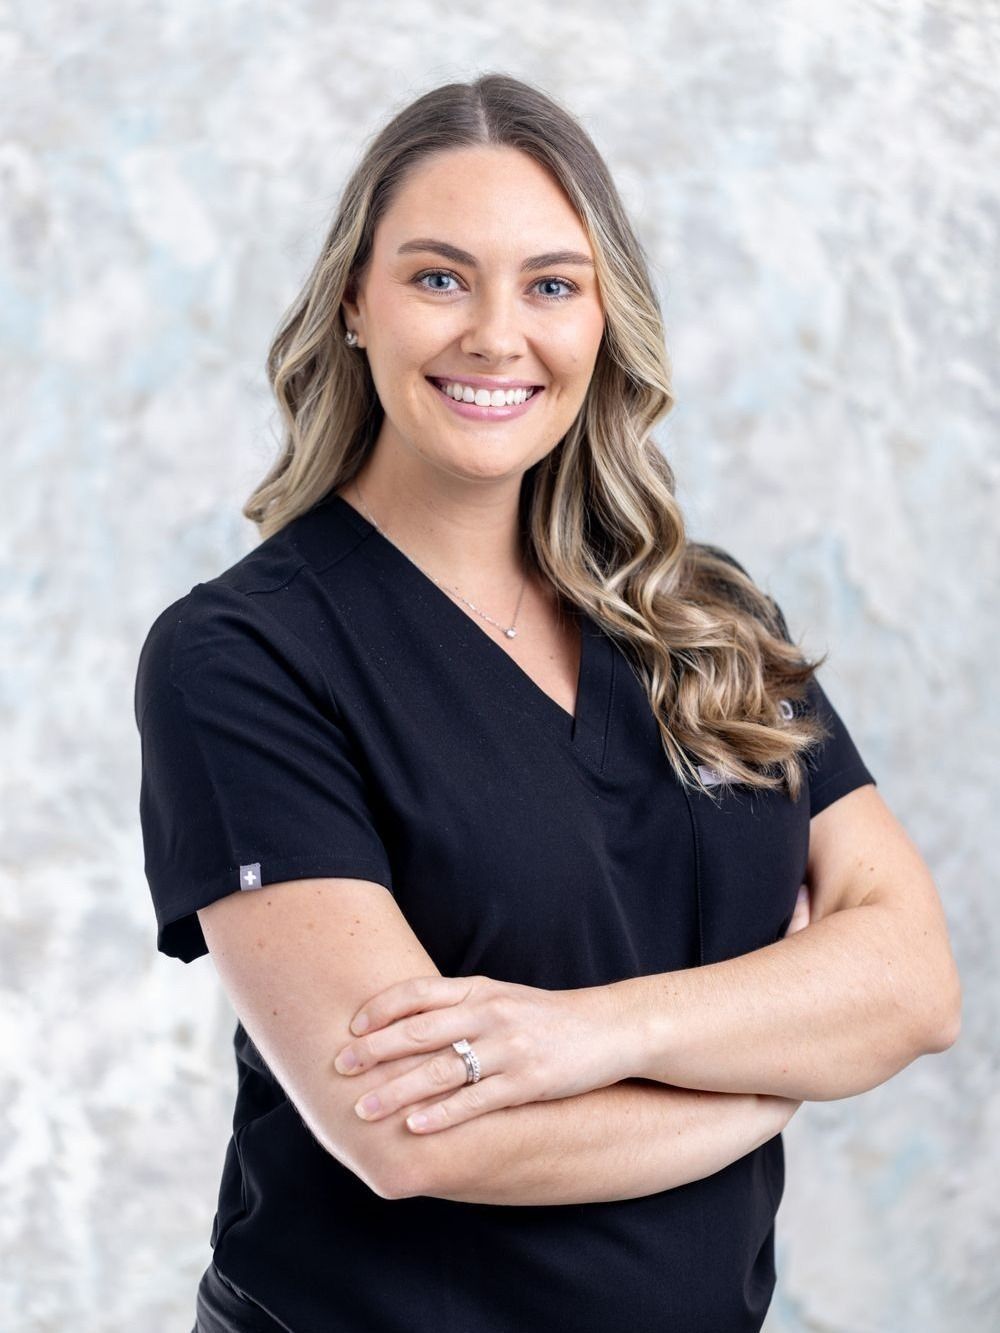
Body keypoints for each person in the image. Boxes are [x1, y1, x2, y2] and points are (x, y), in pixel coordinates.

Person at [133, 73, 961, 1333]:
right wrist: (762, 1080)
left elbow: (909, 981)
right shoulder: (243, 655)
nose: (495, 336)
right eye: (437, 277)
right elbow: (406, 1134)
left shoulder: (704, 619)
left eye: (551, 284)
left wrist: (588, 1036)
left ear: (602, 319)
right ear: (354, 303)